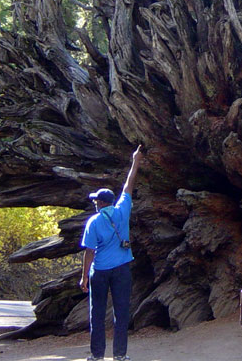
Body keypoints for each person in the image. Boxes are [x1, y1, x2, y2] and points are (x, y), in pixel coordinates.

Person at [80, 145, 144, 361]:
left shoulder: (94, 221)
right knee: (121, 312)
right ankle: (120, 355)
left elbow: (89, 252)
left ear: (100, 203)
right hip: (122, 269)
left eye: (96, 200)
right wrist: (135, 161)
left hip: (99, 271)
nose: (95, 203)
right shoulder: (122, 211)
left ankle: (97, 355)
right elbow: (129, 184)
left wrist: (83, 278)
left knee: (96, 313)